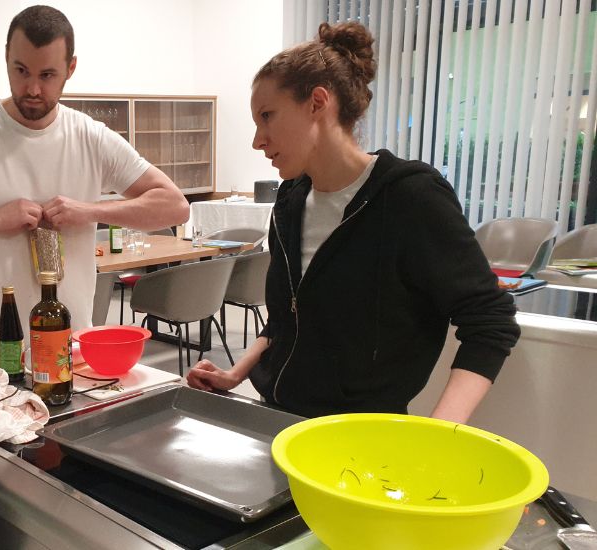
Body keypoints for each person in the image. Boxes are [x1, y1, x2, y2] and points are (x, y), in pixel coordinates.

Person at [187, 22, 520, 424]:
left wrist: (438, 433)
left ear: (317, 103)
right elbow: (285, 317)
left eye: (267, 116)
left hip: (362, 436)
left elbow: (490, 321)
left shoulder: (410, 198)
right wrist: (235, 373)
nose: (258, 140)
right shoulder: (290, 201)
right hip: (279, 423)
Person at [0, 5, 189, 330]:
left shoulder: (90, 136)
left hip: (71, 338)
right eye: (21, 71)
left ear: (71, 68)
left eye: (47, 75)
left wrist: (91, 211)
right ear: (7, 59)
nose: (33, 89)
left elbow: (175, 207)